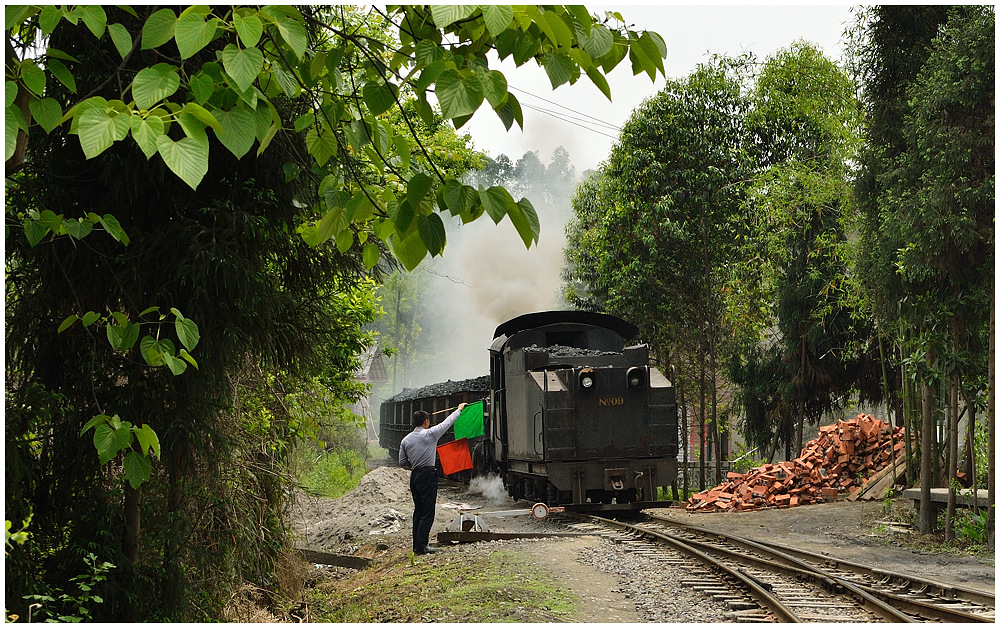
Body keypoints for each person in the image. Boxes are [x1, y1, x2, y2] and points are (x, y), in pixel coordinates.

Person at [398, 402, 466, 555]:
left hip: (414, 475)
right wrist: (459, 409)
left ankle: (417, 545)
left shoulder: (406, 440)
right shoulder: (430, 434)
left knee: (418, 511)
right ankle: (422, 546)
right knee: (428, 512)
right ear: (426, 422)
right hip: (427, 475)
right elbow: (446, 423)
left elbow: (402, 462)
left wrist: (415, 463)